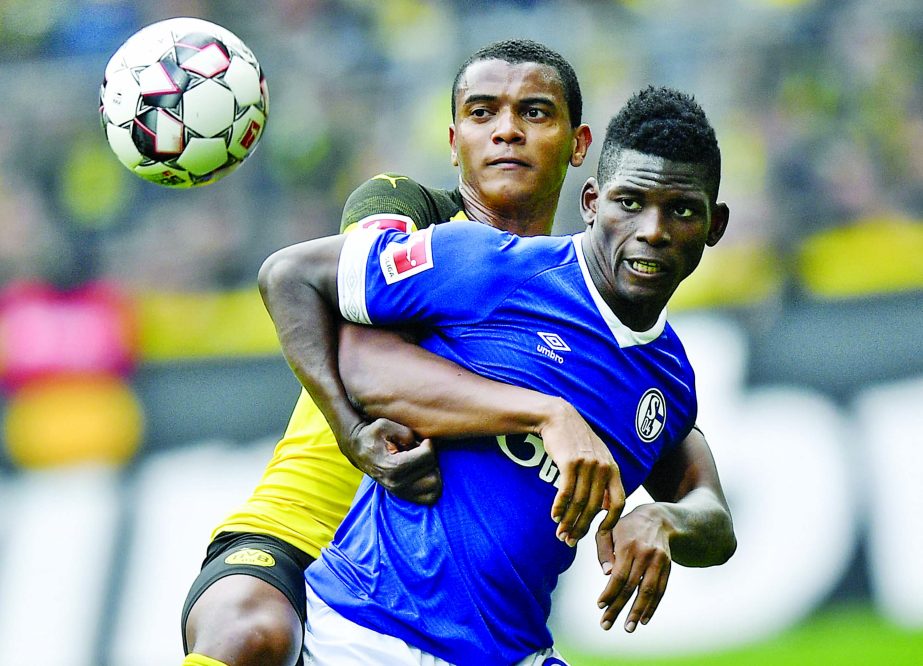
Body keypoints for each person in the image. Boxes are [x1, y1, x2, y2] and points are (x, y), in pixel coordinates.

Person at [180, 39, 624, 666]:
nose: (506, 131)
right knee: (249, 639)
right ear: (452, 141)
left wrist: (661, 518)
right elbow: (308, 294)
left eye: (534, 112)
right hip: (296, 530)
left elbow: (681, 452)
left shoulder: (576, 298)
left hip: (431, 602)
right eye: (481, 113)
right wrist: (351, 432)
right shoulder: (407, 213)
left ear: (579, 145)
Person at [259, 85, 737, 665]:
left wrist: (666, 519)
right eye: (630, 202)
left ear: (715, 224)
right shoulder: (488, 264)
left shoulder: (669, 380)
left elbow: (713, 516)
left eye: (682, 209)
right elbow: (289, 276)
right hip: (370, 632)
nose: (654, 230)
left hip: (512, 651)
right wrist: (543, 412)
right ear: (592, 202)